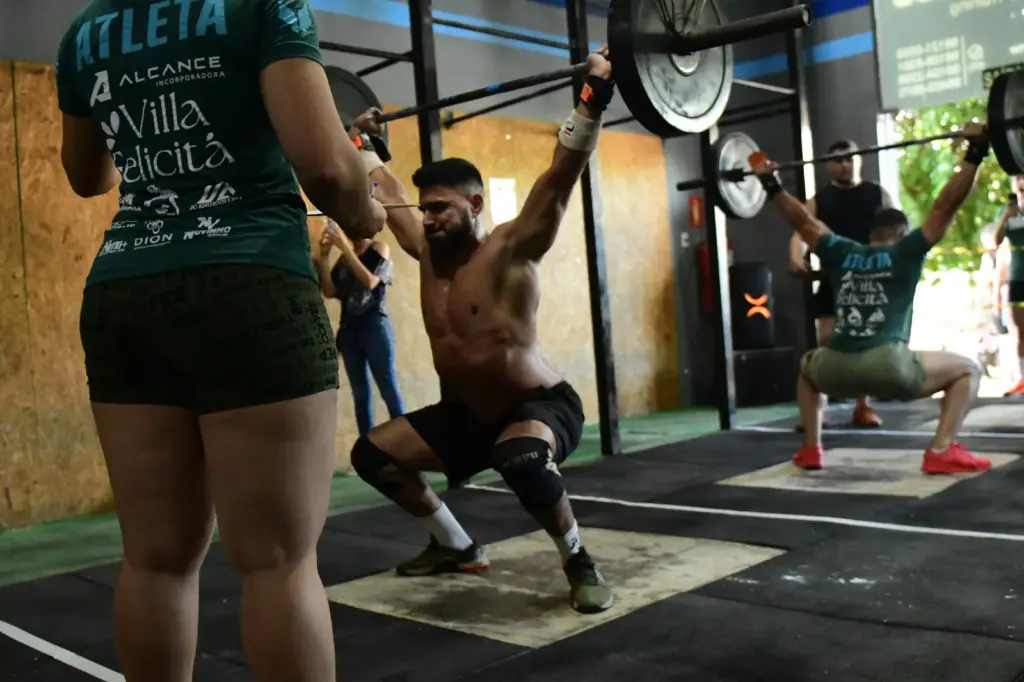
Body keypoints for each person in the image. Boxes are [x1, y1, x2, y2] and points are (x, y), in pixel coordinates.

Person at [56, 2, 387, 681]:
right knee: (277, 562)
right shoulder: (267, 4)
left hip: (127, 291)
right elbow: (326, 169)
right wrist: (366, 212)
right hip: (249, 280)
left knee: (154, 558)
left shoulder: (83, 32)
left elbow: (90, 177)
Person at [341, 50, 617, 614]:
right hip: (467, 413)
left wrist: (594, 95)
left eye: (441, 208)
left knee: (520, 458)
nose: (429, 218)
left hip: (536, 405)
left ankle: (578, 559)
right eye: (425, 209)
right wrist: (362, 140)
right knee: (373, 456)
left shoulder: (512, 250)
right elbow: (386, 186)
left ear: (475, 204)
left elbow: (560, 176)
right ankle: (456, 545)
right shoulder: (423, 247)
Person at [755, 122, 992, 475]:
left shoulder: (842, 251)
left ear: (872, 235)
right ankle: (942, 450)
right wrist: (976, 152)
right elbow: (946, 205)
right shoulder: (908, 251)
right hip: (888, 368)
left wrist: (769, 183)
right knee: (968, 370)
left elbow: (802, 221)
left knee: (807, 369)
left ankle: (811, 449)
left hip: (835, 367)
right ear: (902, 233)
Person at [788, 139, 900, 430]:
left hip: (868, 278)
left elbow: (898, 227)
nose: (845, 164)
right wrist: (795, 255)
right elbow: (801, 229)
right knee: (826, 341)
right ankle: (819, 411)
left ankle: (863, 407)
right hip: (831, 278)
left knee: (864, 342)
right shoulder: (820, 199)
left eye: (849, 158)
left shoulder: (877, 194)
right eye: (838, 160)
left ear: (859, 160)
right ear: (829, 165)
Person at [316, 220, 406, 436]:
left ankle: (407, 444)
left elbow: (370, 281)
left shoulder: (379, 247)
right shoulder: (344, 260)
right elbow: (330, 291)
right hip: (349, 330)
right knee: (360, 394)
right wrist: (323, 258)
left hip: (374, 325)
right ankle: (369, 450)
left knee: (388, 387)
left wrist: (345, 248)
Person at [992, 180, 1024, 395]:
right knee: (1020, 332)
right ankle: (1022, 379)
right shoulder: (1011, 217)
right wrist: (1007, 214)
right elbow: (997, 240)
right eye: (1020, 189)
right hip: (1018, 279)